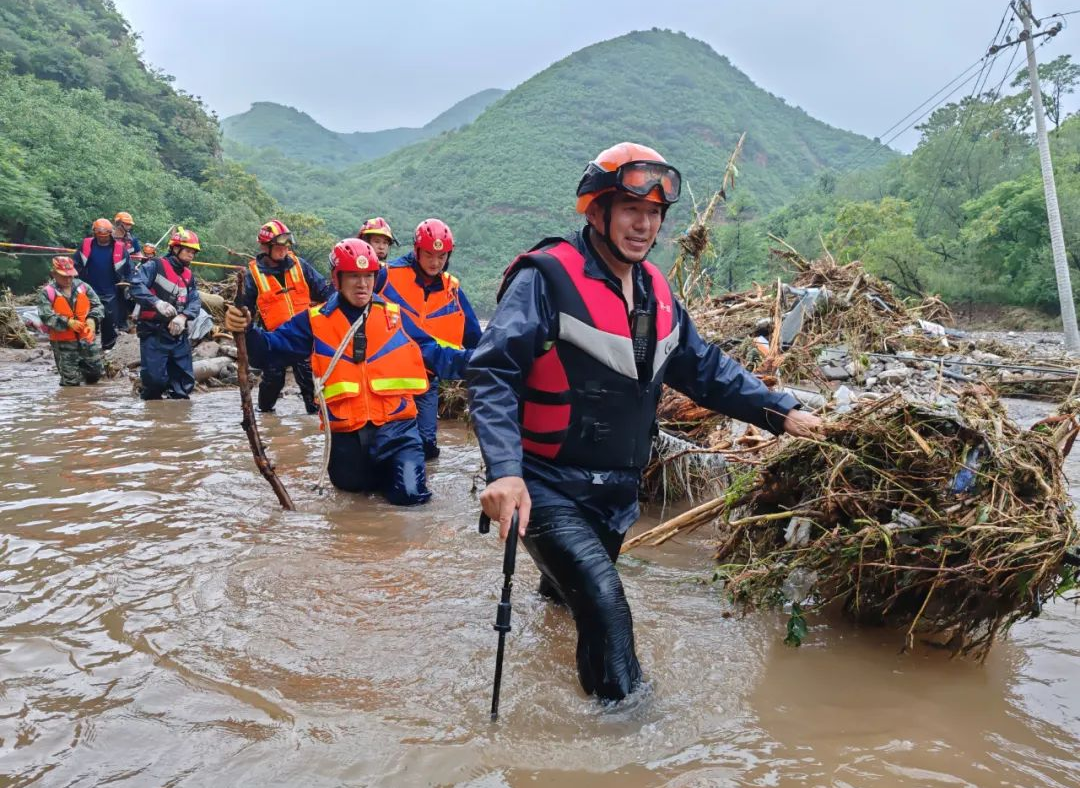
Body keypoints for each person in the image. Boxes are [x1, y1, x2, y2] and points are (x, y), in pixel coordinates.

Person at [467, 142, 824, 703]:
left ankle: (549, 639)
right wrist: (506, 471)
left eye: (655, 214)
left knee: (570, 596)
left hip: (616, 491)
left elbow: (704, 369)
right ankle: (628, 735)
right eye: (631, 210)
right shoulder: (545, 279)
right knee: (607, 603)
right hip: (544, 485)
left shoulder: (657, 293)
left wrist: (781, 412)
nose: (644, 224)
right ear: (596, 212)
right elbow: (492, 372)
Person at [224, 239, 466, 505]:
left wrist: (487, 361)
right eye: (353, 276)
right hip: (347, 442)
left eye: (368, 276)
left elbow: (440, 356)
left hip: (398, 435)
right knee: (353, 501)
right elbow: (269, 351)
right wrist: (247, 331)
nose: (362, 284)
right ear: (336, 279)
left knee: (410, 499)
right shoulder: (314, 321)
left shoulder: (395, 317)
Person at [377, 218, 481, 459]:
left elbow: (474, 335)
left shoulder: (452, 289)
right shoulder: (387, 276)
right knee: (389, 445)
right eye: (429, 255)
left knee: (427, 446)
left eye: (442, 256)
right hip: (390, 378)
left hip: (427, 377)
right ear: (416, 251)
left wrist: (489, 362)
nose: (435, 263)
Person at [241, 219, 334, 414]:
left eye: (286, 244)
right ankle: (265, 417)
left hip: (304, 335)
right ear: (265, 246)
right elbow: (243, 312)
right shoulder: (253, 275)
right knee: (273, 380)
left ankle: (317, 418)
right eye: (279, 245)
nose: (284, 249)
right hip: (275, 339)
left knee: (310, 382)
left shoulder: (300, 265)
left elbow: (324, 291)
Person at [128, 227, 203, 400]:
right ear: (175, 248)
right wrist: (156, 302)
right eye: (188, 250)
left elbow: (194, 300)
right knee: (154, 383)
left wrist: (183, 317)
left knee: (183, 385)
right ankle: (151, 410)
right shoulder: (154, 265)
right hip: (153, 331)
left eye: (194, 252)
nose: (191, 255)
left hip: (178, 334)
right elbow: (135, 286)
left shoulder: (188, 276)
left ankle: (177, 420)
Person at [37, 256, 105, 386]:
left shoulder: (83, 287)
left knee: (95, 374)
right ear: (54, 274)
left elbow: (98, 305)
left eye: (70, 276)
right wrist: (68, 322)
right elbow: (46, 316)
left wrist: (92, 318)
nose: (68, 279)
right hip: (63, 344)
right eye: (64, 276)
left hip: (86, 339)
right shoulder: (47, 293)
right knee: (70, 382)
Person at [73, 217, 132, 351]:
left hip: (111, 291)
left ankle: (108, 349)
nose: (102, 238)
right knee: (85, 320)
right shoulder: (86, 245)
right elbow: (75, 264)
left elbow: (129, 269)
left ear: (110, 234)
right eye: (99, 236)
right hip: (87, 290)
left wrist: (127, 281)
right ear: (94, 234)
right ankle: (85, 349)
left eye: (105, 236)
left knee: (109, 322)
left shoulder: (119, 249)